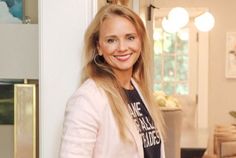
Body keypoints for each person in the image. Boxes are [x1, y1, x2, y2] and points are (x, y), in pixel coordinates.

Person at [60, 4, 165, 158]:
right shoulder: (87, 100)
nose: (122, 48)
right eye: (111, 40)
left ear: (140, 42)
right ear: (99, 47)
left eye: (130, 38)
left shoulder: (138, 89)